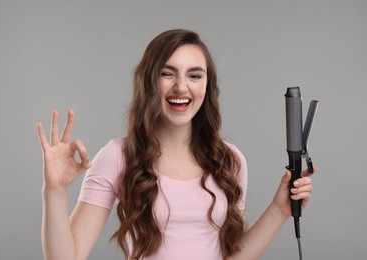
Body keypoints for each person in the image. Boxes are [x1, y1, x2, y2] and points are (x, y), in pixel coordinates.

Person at [36, 29, 314, 260]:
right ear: (149, 81)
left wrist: (279, 211)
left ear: (207, 85)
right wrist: (55, 191)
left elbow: (232, 256)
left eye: (194, 75)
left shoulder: (230, 160)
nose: (181, 87)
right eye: (168, 74)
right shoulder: (118, 156)